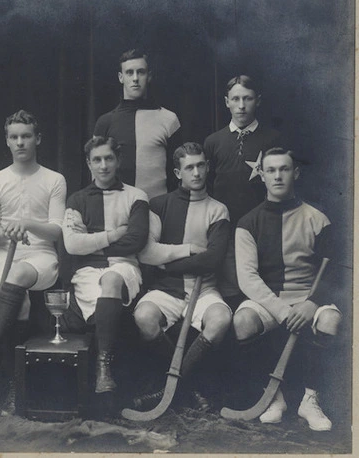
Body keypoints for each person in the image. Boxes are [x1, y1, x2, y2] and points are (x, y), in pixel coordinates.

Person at [232, 147, 341, 431]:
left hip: (308, 298)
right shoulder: (247, 223)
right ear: (262, 176)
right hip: (270, 301)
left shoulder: (318, 219)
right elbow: (247, 278)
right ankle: (274, 399)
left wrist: (312, 303)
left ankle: (309, 400)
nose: (278, 175)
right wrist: (282, 311)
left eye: (284, 169)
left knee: (330, 319)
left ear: (296, 173)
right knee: (242, 320)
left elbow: (334, 272)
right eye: (271, 170)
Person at [0, 110, 66, 415]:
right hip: (5, 253)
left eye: (26, 136)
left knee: (21, 274)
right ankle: (15, 386)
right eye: (14, 137)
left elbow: (56, 229)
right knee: (20, 303)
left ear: (37, 139)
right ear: (7, 141)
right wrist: (9, 231)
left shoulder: (54, 179)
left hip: (42, 257)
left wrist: (27, 223)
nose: (20, 142)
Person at [130, 142, 232, 411]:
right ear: (177, 172)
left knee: (221, 319)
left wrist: (168, 264)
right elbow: (146, 253)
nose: (196, 172)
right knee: (144, 317)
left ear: (208, 167)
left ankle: (169, 389)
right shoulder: (159, 205)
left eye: (201, 165)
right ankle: (188, 385)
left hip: (205, 289)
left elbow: (213, 259)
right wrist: (186, 252)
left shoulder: (218, 209)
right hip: (167, 290)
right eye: (189, 167)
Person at [61, 136, 149, 395]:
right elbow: (72, 246)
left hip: (124, 266)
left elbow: (136, 241)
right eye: (96, 160)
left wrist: (89, 237)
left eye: (108, 158)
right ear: (88, 164)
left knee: (111, 280)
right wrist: (113, 234)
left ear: (118, 160)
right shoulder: (77, 199)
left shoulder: (136, 196)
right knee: (101, 293)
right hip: (87, 272)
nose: (103, 166)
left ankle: (103, 367)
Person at [203, 75, 282, 304]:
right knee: (230, 288)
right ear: (226, 101)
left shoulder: (272, 139)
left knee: (260, 287)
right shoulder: (213, 142)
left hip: (262, 228)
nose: (241, 105)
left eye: (247, 98)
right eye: (235, 99)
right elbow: (207, 187)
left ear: (258, 100)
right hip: (226, 229)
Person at [93, 48, 181, 200]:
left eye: (140, 72)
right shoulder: (104, 123)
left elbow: (181, 173)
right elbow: (96, 176)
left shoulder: (169, 119)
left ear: (149, 76)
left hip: (158, 211)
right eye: (129, 73)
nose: (135, 78)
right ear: (121, 77)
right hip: (116, 210)